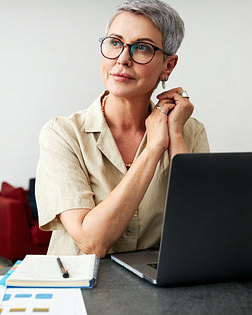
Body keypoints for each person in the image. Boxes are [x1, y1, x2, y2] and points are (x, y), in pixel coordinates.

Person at [36, 0, 209, 257]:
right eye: (115, 43)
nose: (123, 59)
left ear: (168, 66)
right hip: (77, 291)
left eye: (142, 48)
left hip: (157, 291)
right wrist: (153, 149)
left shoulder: (189, 132)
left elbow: (200, 231)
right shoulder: (62, 134)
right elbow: (91, 242)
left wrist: (174, 136)